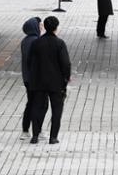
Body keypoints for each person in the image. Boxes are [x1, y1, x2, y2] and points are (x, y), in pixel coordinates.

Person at [28, 16, 71, 145]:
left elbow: (29, 61)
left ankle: (35, 135)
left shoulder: (36, 43)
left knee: (38, 108)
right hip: (56, 82)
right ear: (56, 28)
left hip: (39, 81)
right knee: (56, 109)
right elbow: (65, 63)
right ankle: (53, 137)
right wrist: (66, 77)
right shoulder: (59, 43)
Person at [20, 17, 48, 141]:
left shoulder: (26, 40)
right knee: (41, 104)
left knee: (31, 103)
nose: (41, 27)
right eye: (39, 25)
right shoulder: (35, 41)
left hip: (28, 78)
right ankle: (37, 130)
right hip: (35, 79)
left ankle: (26, 130)